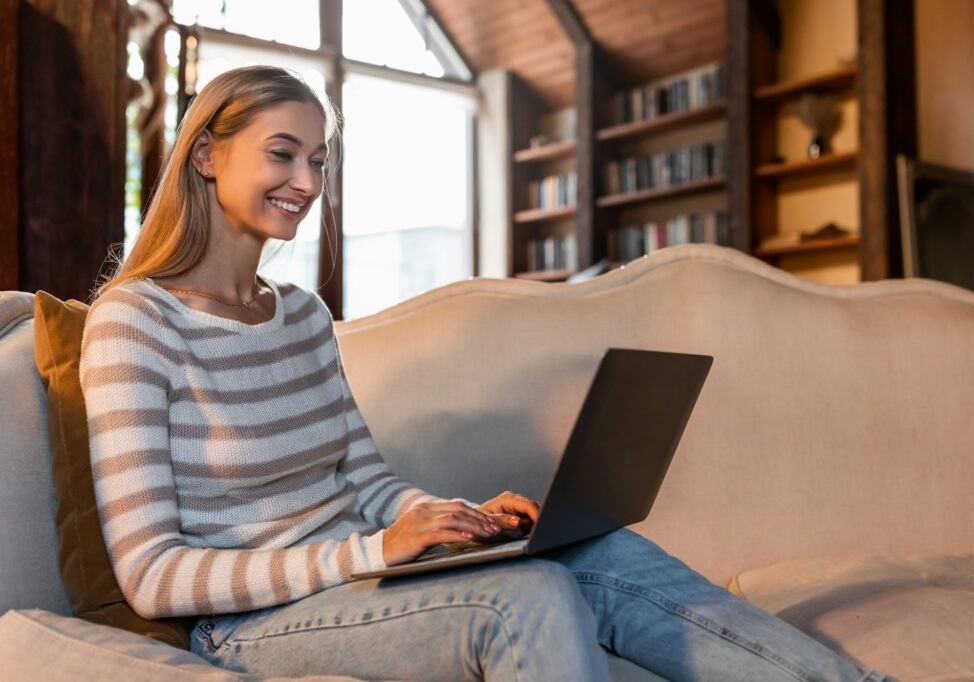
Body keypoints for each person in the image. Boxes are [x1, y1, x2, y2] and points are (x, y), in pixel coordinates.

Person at [80, 64, 890, 682]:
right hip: (250, 622)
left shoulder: (301, 315)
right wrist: (370, 554)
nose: (306, 182)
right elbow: (152, 576)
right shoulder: (136, 323)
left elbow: (364, 479)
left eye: (319, 160)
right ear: (207, 156)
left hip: (355, 579)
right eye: (283, 154)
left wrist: (450, 518)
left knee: (593, 550)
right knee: (525, 596)